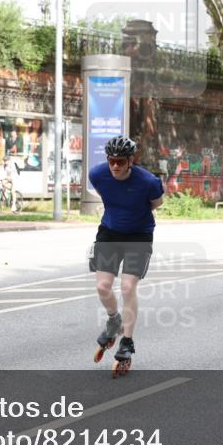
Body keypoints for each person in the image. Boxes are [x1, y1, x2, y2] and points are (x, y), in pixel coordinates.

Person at [88, 135, 164, 374]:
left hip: (138, 236)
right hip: (109, 233)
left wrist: (133, 217)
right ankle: (114, 320)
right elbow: (108, 197)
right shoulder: (97, 175)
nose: (115, 166)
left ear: (131, 160)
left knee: (128, 288)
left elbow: (156, 203)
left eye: (121, 161)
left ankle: (127, 342)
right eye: (112, 161)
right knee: (102, 286)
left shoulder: (149, 181)